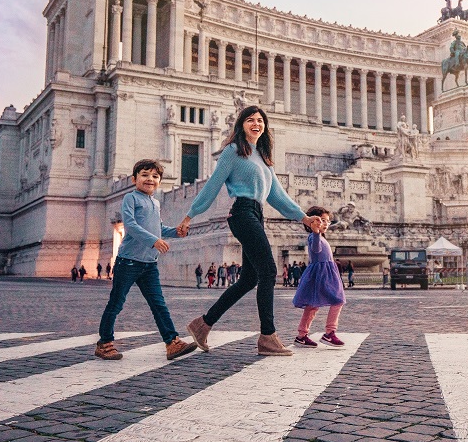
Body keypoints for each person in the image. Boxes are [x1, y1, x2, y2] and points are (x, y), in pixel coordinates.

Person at [178, 105, 321, 357]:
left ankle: (202, 325)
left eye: (260, 120)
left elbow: (277, 196)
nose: (256, 124)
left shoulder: (263, 157)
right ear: (241, 124)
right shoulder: (233, 151)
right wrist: (191, 214)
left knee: (249, 279)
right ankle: (267, 336)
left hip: (256, 214)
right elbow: (212, 185)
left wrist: (305, 218)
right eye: (250, 120)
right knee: (269, 270)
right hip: (242, 213)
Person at [94, 159, 196, 362]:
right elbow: (130, 225)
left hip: (149, 265)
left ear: (160, 181)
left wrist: (176, 232)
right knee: (116, 303)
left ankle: (172, 342)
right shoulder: (130, 198)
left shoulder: (155, 202)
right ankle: (104, 343)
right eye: (145, 175)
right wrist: (154, 241)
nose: (150, 179)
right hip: (128, 262)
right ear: (135, 179)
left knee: (159, 304)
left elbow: (158, 228)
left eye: (155, 176)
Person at [292, 206, 347, 348]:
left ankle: (301, 335)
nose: (326, 224)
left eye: (328, 221)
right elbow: (316, 249)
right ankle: (329, 333)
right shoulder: (313, 237)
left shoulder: (321, 237)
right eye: (322, 220)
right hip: (322, 273)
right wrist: (316, 232)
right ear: (312, 222)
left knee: (312, 305)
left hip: (324, 272)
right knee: (337, 300)